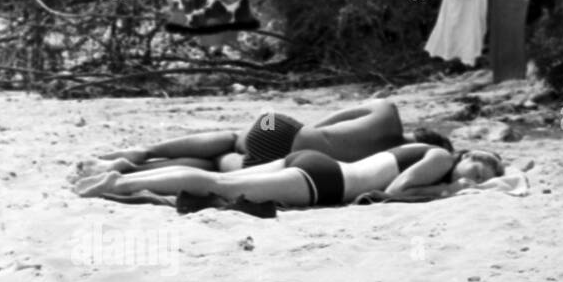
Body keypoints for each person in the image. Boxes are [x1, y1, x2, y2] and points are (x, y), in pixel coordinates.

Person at [74, 144, 504, 208]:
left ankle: (132, 178)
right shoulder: (440, 156)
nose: (481, 175)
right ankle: (121, 183)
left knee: (225, 193)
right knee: (224, 186)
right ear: (465, 154)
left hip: (319, 166)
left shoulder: (433, 155)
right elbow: (396, 190)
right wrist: (447, 191)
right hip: (325, 181)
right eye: (481, 165)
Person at [84, 99, 453, 173]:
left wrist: (308, 132)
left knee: (231, 136)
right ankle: (131, 173)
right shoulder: (396, 165)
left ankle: (142, 152)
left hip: (287, 132)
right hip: (288, 167)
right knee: (217, 164)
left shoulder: (388, 114)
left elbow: (335, 118)